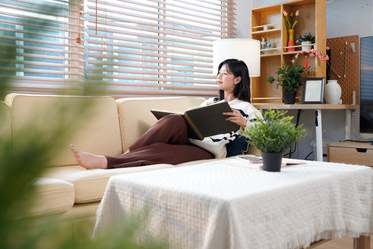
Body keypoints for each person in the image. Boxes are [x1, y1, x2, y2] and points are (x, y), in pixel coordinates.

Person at [70, 59, 262, 169]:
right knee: (173, 119)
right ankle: (126, 154)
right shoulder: (209, 102)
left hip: (208, 152)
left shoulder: (247, 108)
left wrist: (245, 124)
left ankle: (105, 161)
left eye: (225, 74)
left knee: (160, 150)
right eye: (218, 73)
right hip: (189, 138)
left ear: (237, 79)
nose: (218, 77)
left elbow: (265, 136)